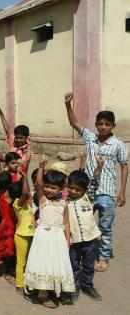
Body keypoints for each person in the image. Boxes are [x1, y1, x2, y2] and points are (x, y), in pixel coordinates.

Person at [64, 92, 128, 272]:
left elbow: (124, 167)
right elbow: (74, 123)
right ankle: (83, 253)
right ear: (96, 125)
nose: (103, 127)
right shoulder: (90, 138)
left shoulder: (118, 145)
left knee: (105, 227)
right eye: (100, 123)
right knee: (82, 222)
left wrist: (122, 191)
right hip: (87, 191)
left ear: (113, 126)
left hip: (107, 192)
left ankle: (103, 257)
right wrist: (68, 105)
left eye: (107, 124)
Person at [23, 158, 75, 308]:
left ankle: (53, 289)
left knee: (55, 263)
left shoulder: (64, 203)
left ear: (61, 189)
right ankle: (42, 294)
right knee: (43, 262)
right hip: (43, 237)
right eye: (47, 186)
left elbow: (66, 222)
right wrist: (41, 168)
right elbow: (39, 184)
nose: (49, 190)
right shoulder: (42, 199)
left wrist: (67, 239)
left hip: (58, 238)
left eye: (53, 188)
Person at [67, 170, 102, 303]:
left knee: (88, 265)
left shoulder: (87, 198)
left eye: (78, 189)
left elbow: (94, 182)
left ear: (84, 190)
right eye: (71, 188)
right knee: (74, 265)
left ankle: (87, 285)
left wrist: (99, 167)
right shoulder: (65, 202)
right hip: (74, 242)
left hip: (90, 241)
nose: (74, 192)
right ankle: (75, 287)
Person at [12, 171, 35, 296]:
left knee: (30, 261)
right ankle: (19, 285)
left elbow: (28, 193)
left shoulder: (28, 205)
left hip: (31, 235)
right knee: (21, 262)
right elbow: (26, 193)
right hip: (21, 235)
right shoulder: (17, 204)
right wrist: (25, 177)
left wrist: (24, 178)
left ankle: (29, 283)